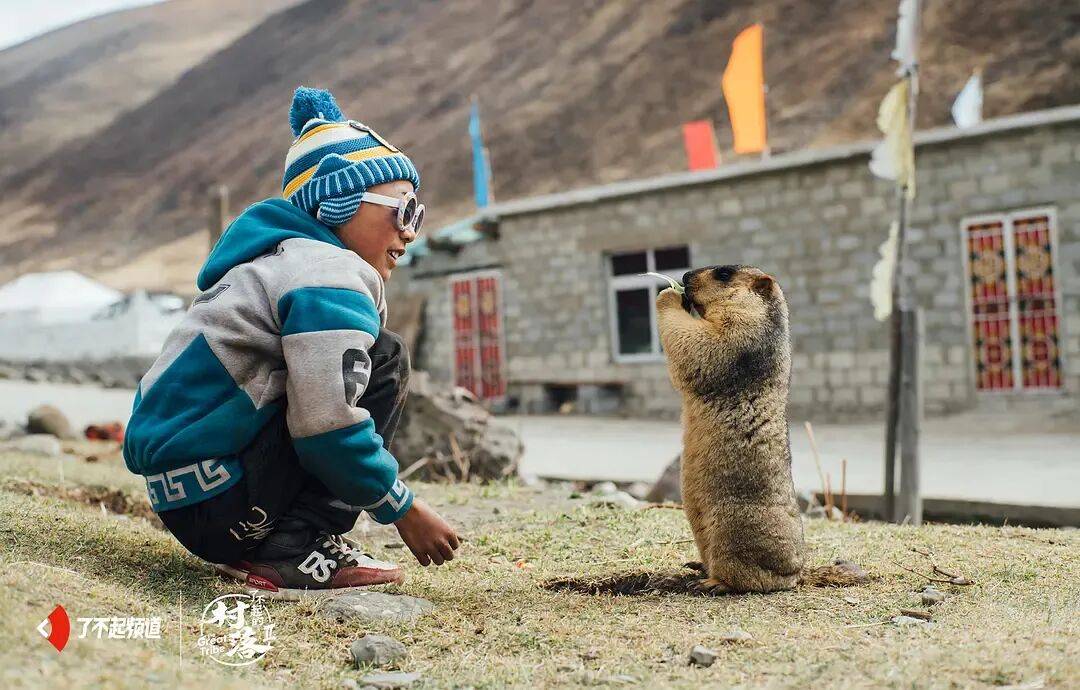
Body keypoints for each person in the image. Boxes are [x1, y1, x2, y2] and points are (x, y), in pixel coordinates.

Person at [123, 86, 459, 599]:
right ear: (341, 200)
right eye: (403, 209)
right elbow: (326, 426)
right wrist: (402, 508)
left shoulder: (273, 265)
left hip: (191, 497)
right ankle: (292, 550)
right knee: (385, 358)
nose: (410, 232)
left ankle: (274, 543)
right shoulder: (326, 274)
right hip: (224, 501)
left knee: (365, 357)